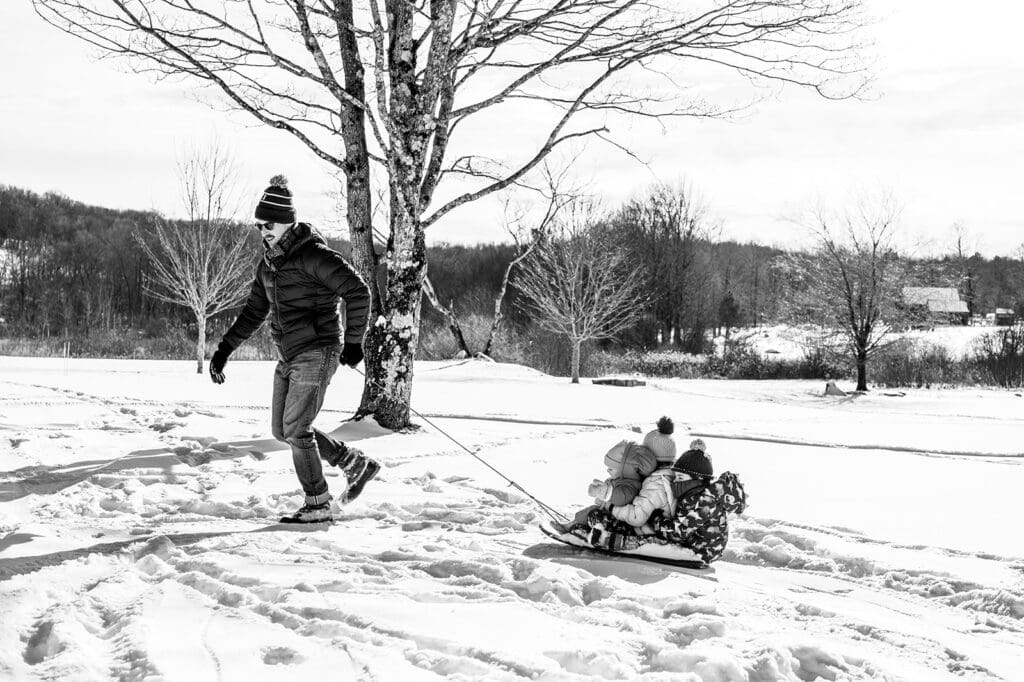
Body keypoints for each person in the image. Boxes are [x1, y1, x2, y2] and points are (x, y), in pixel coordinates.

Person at [208, 175, 378, 523]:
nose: (263, 232)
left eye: (268, 224)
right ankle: (353, 463)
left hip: (318, 351)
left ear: (286, 222)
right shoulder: (269, 265)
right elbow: (254, 311)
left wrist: (354, 343)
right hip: (289, 355)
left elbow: (358, 292)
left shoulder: (315, 256)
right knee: (283, 430)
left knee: (297, 430)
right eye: (258, 226)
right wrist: (225, 349)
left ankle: (318, 504)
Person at [551, 439, 657, 534]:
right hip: (610, 512)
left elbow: (622, 497)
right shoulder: (621, 480)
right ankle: (572, 525)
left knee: (593, 512)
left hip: (617, 519)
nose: (608, 471)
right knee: (589, 511)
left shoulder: (632, 484)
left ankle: (572, 528)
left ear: (624, 469)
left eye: (611, 468)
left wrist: (604, 492)